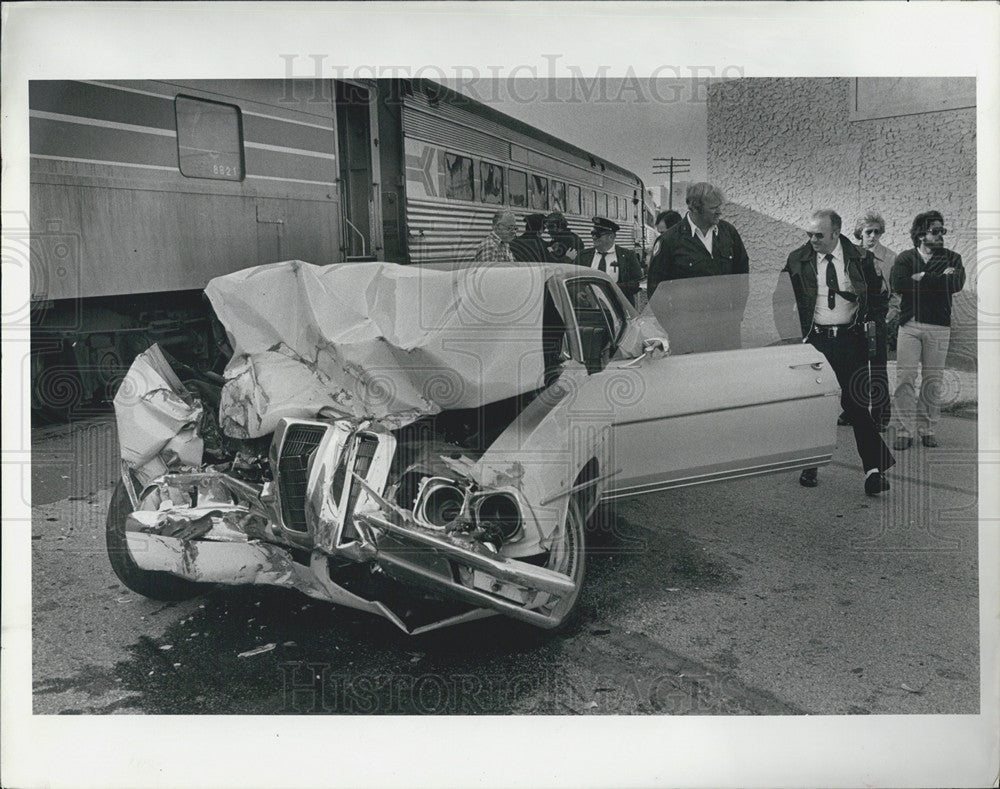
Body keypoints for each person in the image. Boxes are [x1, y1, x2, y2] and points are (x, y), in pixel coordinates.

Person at [781, 209, 894, 495]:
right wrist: (791, 338)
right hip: (815, 342)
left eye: (819, 235)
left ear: (836, 233)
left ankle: (873, 471)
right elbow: (780, 300)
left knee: (856, 404)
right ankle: (811, 463)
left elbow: (879, 298)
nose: (813, 240)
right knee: (816, 404)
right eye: (809, 234)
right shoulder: (798, 259)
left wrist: (872, 327)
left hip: (851, 341)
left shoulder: (860, 258)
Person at [889, 211, 965, 450]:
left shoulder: (953, 258)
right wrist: (937, 279)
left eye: (942, 230)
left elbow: (955, 284)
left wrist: (922, 278)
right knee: (905, 379)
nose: (941, 235)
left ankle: (928, 428)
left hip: (939, 326)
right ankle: (905, 430)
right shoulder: (904, 258)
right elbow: (899, 284)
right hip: (909, 326)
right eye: (935, 231)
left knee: (933, 380)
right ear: (921, 234)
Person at [646, 182, 750, 350]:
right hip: (688, 337)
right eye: (713, 207)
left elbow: (742, 277)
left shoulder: (729, 233)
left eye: (719, 206)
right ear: (694, 208)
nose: (719, 211)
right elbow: (656, 291)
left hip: (726, 334)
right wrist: (674, 328)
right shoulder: (670, 241)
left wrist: (736, 314)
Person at [846, 211, 897, 430]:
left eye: (877, 232)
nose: (873, 236)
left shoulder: (890, 258)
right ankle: (852, 412)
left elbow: (897, 294)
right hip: (854, 317)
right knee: (854, 367)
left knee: (877, 367)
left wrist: (887, 318)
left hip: (878, 316)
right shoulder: (851, 255)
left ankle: (880, 416)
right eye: (868, 232)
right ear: (860, 234)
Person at [578, 217, 644, 306]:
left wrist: (612, 288)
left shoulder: (627, 256)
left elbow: (637, 283)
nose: (594, 237)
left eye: (597, 235)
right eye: (592, 234)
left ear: (611, 236)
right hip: (591, 310)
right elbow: (574, 280)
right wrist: (578, 292)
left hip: (619, 308)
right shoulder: (583, 256)